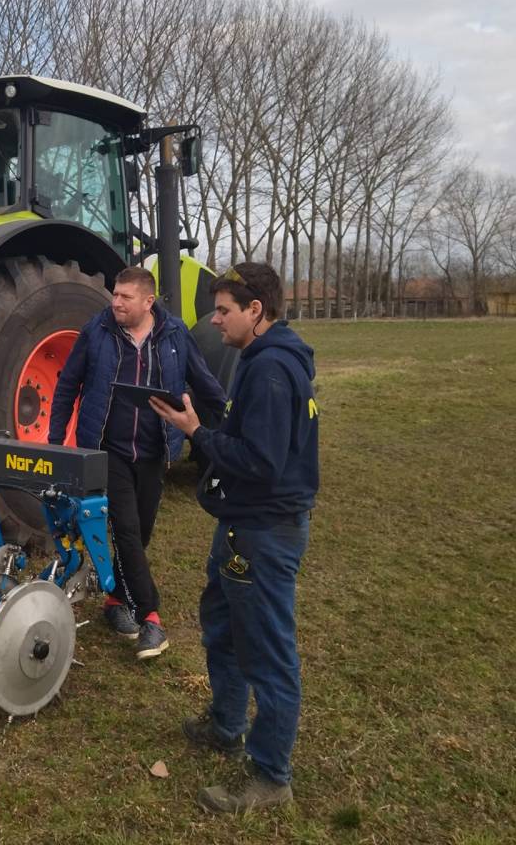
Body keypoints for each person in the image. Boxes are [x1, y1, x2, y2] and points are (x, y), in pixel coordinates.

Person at [151, 261, 319, 814]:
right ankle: (226, 723)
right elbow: (251, 435)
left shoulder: (271, 370)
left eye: (224, 310)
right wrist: (207, 420)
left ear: (256, 310)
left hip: (264, 529)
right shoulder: (260, 359)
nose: (214, 320)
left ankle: (271, 776)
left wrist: (196, 433)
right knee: (221, 621)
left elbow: (261, 462)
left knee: (268, 651)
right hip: (242, 523)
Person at [49, 266, 226, 659]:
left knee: (140, 534)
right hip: (107, 450)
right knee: (126, 531)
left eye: (125, 297)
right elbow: (67, 386)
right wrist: (55, 440)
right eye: (115, 294)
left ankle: (115, 601)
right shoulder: (97, 331)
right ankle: (151, 617)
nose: (115, 302)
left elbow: (204, 382)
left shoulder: (175, 335)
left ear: (148, 302)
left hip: (154, 451)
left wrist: (232, 417)